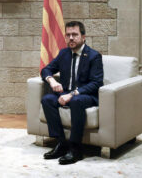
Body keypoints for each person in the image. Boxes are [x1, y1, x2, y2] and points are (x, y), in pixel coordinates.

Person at [40, 21, 104, 165]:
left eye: (74, 35)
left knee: (75, 101)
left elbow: (96, 83)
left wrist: (73, 94)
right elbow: (45, 70)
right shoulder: (64, 53)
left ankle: (75, 148)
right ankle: (61, 143)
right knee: (48, 99)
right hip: (66, 92)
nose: (71, 38)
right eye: (68, 35)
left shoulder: (93, 56)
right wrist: (52, 81)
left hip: (86, 95)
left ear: (83, 37)